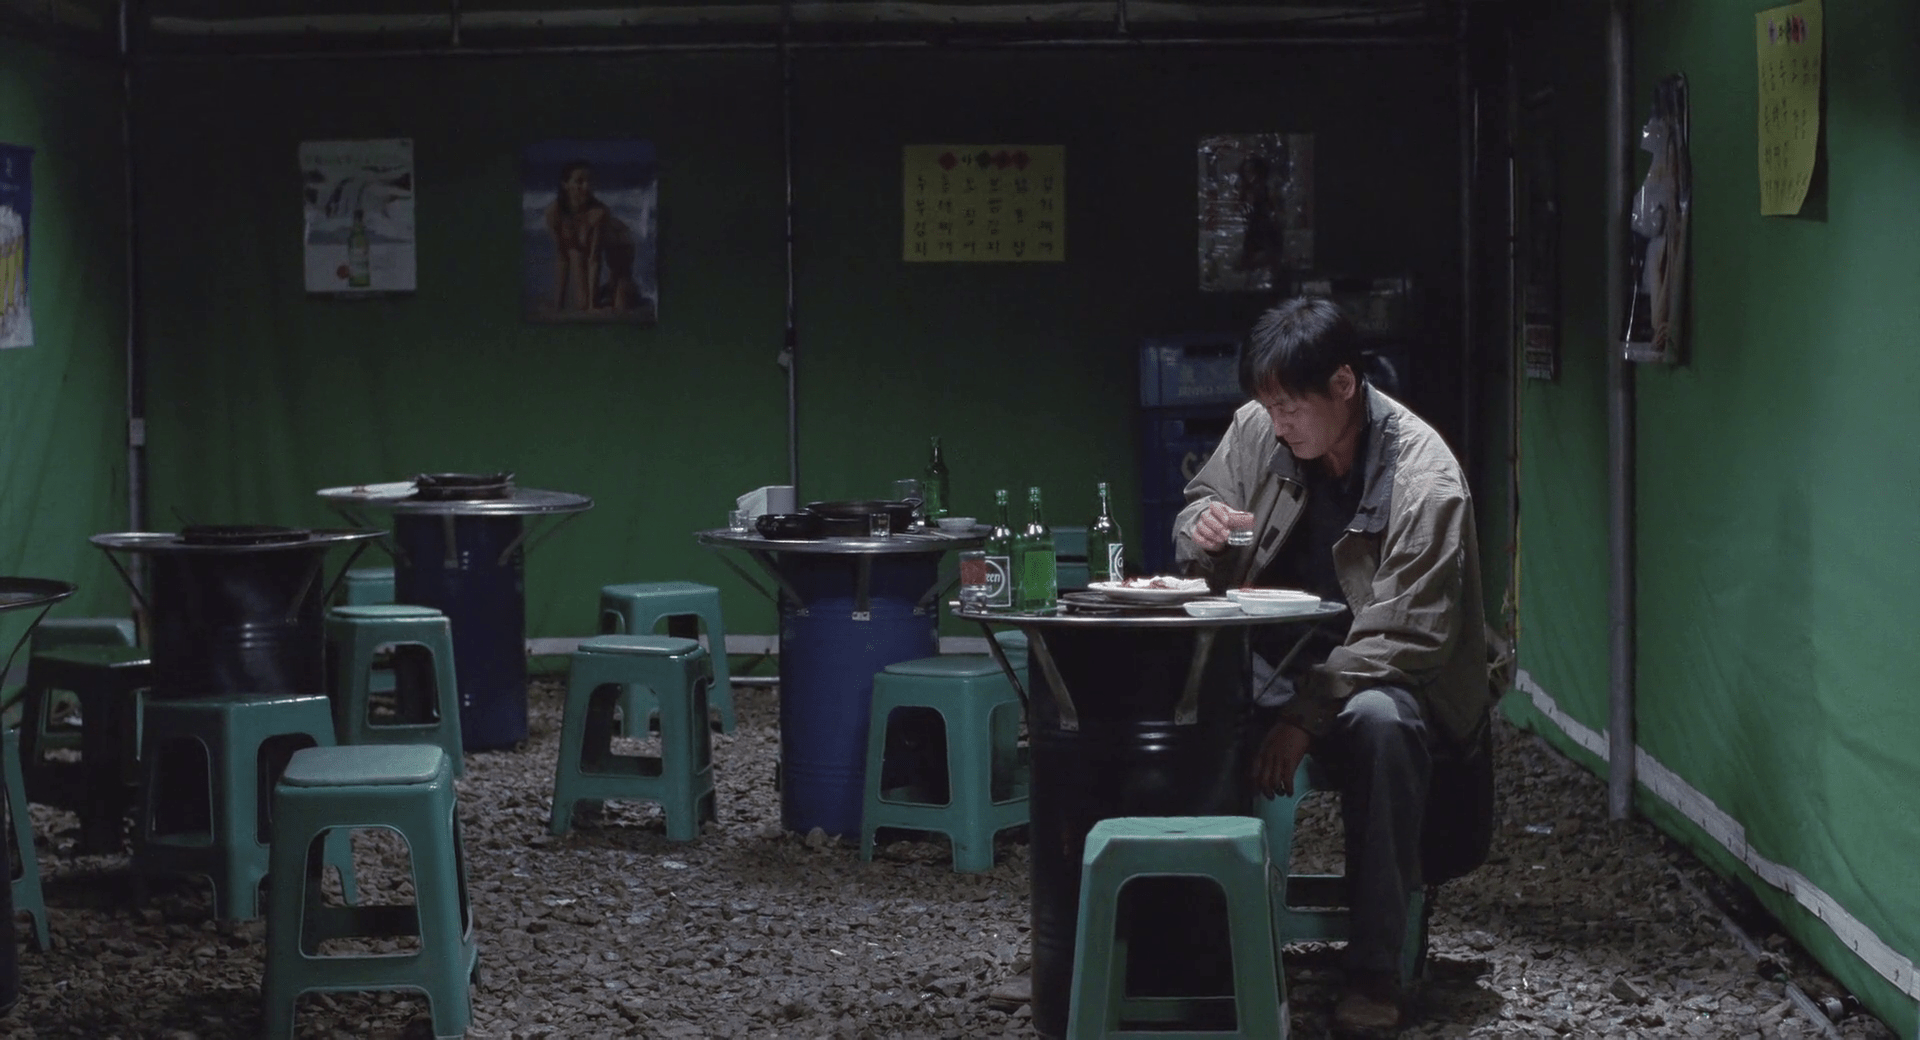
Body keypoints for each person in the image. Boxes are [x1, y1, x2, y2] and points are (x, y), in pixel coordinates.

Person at [1173, 296, 1492, 1034]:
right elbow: (1201, 501)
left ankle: (1375, 968)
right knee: (1176, 710)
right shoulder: (1260, 429)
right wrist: (1202, 527)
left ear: (1344, 385)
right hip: (1271, 658)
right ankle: (1183, 938)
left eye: (1290, 406)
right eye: (1268, 405)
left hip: (1381, 675)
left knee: (1384, 728)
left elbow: (1407, 634)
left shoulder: (1426, 479)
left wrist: (1302, 719)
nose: (1276, 422)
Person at [544, 160, 642, 315]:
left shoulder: (598, 213)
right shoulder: (554, 213)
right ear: (565, 184)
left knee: (621, 307)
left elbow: (594, 259)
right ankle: (606, 290)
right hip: (581, 246)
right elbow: (562, 257)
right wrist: (558, 305)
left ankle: (621, 285)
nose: (586, 186)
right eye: (579, 181)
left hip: (620, 246)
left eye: (589, 181)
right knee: (581, 304)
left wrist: (593, 306)